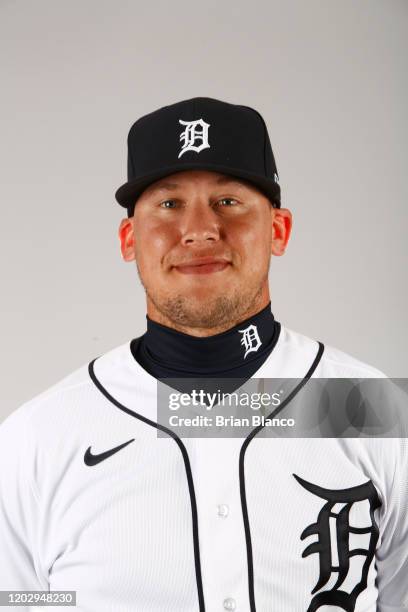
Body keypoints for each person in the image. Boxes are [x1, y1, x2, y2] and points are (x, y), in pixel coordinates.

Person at [0, 96, 406, 612]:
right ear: (129, 239)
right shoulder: (37, 439)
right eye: (168, 204)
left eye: (228, 202)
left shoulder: (374, 411)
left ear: (278, 230)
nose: (199, 229)